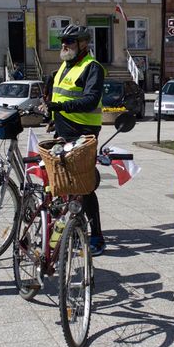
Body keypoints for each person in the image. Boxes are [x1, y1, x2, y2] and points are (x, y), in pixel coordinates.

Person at [42, 25, 107, 256]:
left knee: (84, 186)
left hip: (84, 133)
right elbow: (59, 96)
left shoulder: (92, 68)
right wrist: (53, 116)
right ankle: (67, 229)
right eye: (63, 41)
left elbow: (90, 100)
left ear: (83, 43)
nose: (64, 45)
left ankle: (97, 236)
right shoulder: (64, 67)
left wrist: (60, 107)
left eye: (69, 41)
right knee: (59, 183)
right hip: (63, 131)